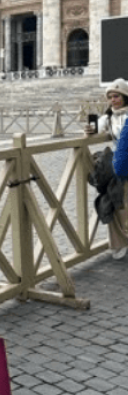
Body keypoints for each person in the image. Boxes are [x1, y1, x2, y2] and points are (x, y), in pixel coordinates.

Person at [85, 78, 128, 259]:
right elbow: (95, 132)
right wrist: (89, 131)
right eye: (110, 96)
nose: (113, 100)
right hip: (120, 165)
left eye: (116, 95)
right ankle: (119, 243)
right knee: (116, 203)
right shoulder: (108, 117)